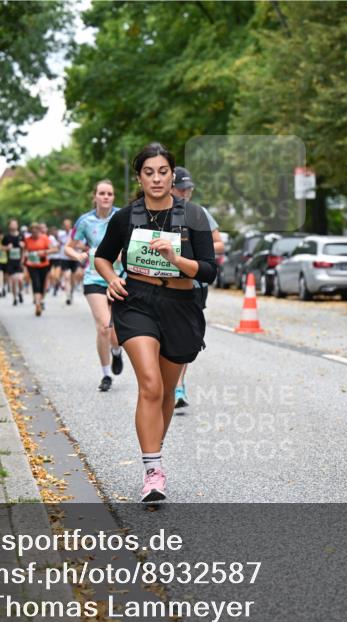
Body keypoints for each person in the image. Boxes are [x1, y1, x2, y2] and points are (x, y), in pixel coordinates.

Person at [94, 143, 217, 502]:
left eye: (163, 171)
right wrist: (111, 279)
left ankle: (154, 451)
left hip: (181, 303)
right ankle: (153, 472)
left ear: (172, 175)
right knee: (149, 384)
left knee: (164, 392)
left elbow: (209, 270)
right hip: (137, 302)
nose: (157, 178)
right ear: (139, 177)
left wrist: (177, 259)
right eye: (149, 172)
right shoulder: (126, 217)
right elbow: (102, 257)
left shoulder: (193, 216)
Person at [169, 167, 225, 409]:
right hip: (162, 283)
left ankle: (178, 386)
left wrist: (197, 252)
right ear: (171, 187)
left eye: (188, 189)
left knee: (182, 335)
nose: (185, 193)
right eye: (181, 188)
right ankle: (165, 381)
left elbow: (219, 244)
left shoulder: (198, 213)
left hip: (195, 284)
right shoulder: (155, 212)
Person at [66, 179, 124, 391]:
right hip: (93, 278)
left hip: (118, 278)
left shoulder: (122, 217)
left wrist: (124, 253)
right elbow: (68, 247)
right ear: (95, 197)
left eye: (109, 193)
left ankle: (117, 351)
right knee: (103, 327)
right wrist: (79, 255)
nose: (106, 197)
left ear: (113, 197)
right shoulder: (85, 221)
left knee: (116, 332)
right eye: (102, 193)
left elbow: (134, 242)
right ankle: (106, 374)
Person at [23, 223, 52, 316]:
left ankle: (41, 299)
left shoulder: (44, 238)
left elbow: (54, 249)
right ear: (30, 232)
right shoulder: (27, 240)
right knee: (36, 283)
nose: (34, 233)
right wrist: (26, 255)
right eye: (32, 231)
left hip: (44, 264)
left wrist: (44, 252)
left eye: (36, 231)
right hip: (32, 265)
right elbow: (25, 250)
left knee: (43, 284)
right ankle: (38, 304)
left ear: (39, 231)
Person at [1, 219, 24, 306]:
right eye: (12, 224)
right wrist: (7, 247)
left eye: (15, 224)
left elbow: (26, 248)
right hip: (11, 261)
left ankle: (20, 292)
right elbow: (1, 247)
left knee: (21, 280)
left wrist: (23, 258)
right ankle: (15, 298)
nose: (14, 225)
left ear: (17, 225)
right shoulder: (6, 237)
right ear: (9, 226)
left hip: (20, 261)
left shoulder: (21, 236)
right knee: (14, 281)